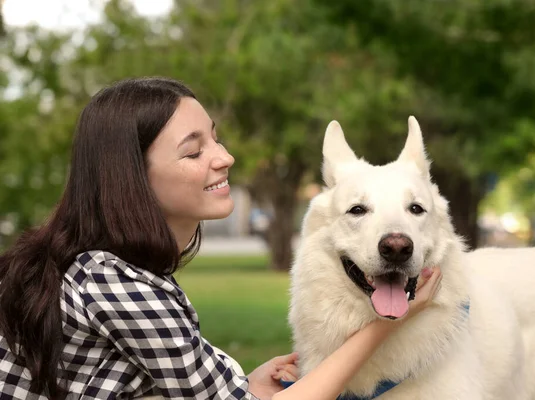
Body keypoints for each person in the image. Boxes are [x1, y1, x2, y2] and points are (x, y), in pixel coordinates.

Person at [0, 77, 442, 400]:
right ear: (132, 178)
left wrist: (243, 384)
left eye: (215, 138)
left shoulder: (120, 273)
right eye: (194, 151)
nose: (225, 157)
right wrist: (388, 325)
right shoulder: (114, 283)